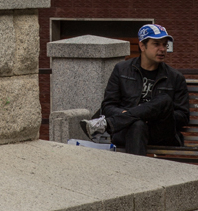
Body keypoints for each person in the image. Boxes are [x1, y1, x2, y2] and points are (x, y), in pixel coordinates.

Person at [81, 24, 189, 155]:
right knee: (137, 124)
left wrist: (153, 115)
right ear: (142, 46)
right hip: (127, 130)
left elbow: (183, 116)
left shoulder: (175, 77)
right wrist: (136, 116)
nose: (162, 49)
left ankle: (109, 124)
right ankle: (138, 174)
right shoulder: (121, 70)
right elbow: (108, 106)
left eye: (165, 44)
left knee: (164, 100)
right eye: (156, 44)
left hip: (161, 133)